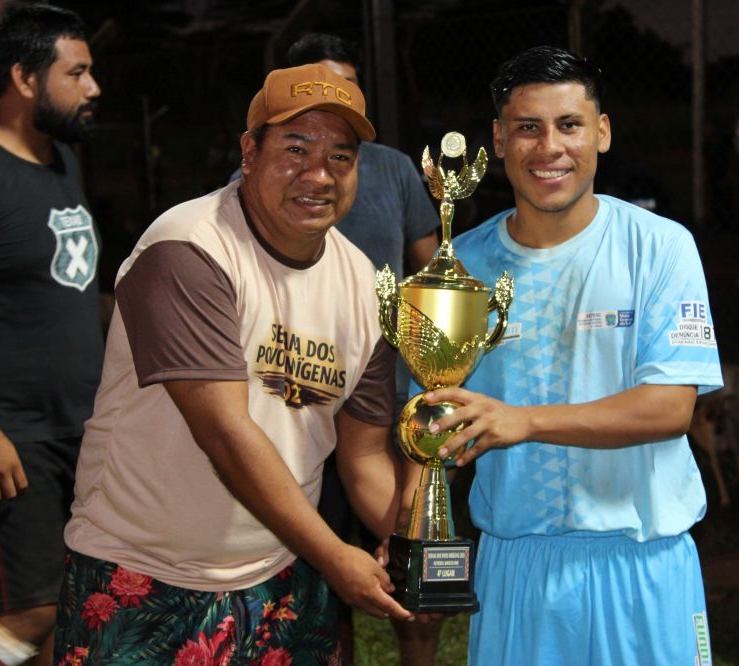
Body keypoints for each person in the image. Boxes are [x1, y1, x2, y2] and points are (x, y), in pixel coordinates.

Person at [54, 63, 413, 664]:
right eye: (295, 149)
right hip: (144, 573)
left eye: (340, 157)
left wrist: (411, 540)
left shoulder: (364, 283)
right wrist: (334, 555)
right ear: (249, 152)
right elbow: (225, 433)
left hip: (280, 570)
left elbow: (364, 457)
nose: (318, 175)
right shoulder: (188, 247)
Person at [403, 46, 723, 664]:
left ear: (601, 132)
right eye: (528, 127)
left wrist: (522, 421)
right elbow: (430, 423)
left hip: (643, 561)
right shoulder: (460, 268)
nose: (549, 147)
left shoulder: (660, 247)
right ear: (499, 140)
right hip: (516, 563)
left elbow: (669, 408)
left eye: (569, 125)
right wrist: (413, 532)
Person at [281, 32, 441, 666]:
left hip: (388, 397)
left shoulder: (395, 169)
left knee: (412, 555)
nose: (338, 95)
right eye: (322, 83)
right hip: (297, 401)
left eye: (348, 83)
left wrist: (437, 363)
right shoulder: (264, 176)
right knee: (317, 570)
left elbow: (430, 270)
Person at [0, 4, 103, 665]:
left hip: (75, 430)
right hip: (8, 435)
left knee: (69, 605)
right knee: (26, 611)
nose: (93, 88)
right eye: (77, 73)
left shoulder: (60, 161)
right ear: (24, 77)